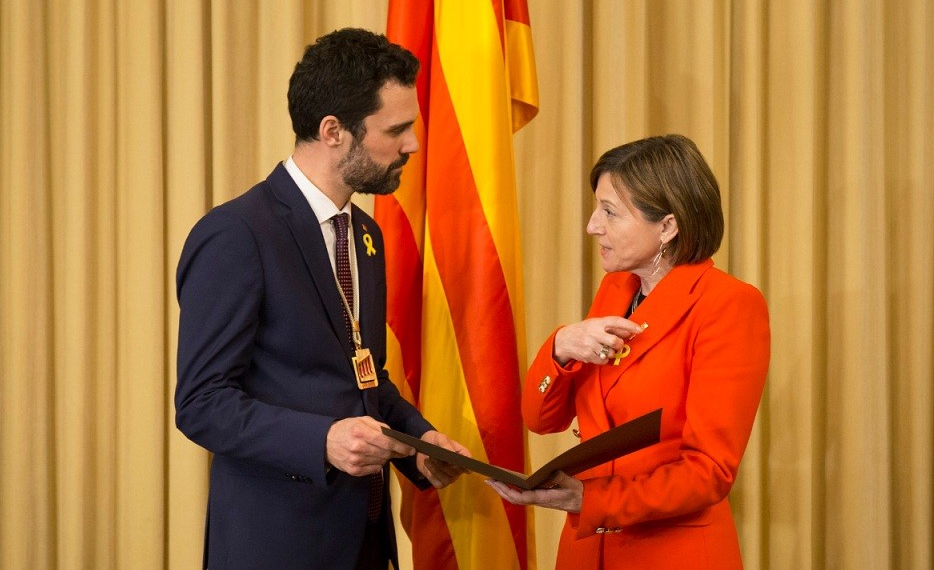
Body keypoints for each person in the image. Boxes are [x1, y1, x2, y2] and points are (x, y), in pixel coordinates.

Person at [175, 28, 468, 570]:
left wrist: (423, 443)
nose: (413, 145)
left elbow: (364, 378)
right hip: (277, 547)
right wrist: (322, 440)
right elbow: (201, 404)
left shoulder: (365, 236)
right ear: (333, 131)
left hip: (365, 542)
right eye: (397, 129)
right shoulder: (237, 234)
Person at [487, 135, 770, 569]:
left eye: (610, 212)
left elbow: (709, 471)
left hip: (670, 553)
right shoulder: (616, 288)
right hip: (586, 552)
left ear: (668, 226)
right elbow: (540, 420)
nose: (592, 225)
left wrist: (591, 498)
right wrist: (560, 347)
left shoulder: (728, 304)